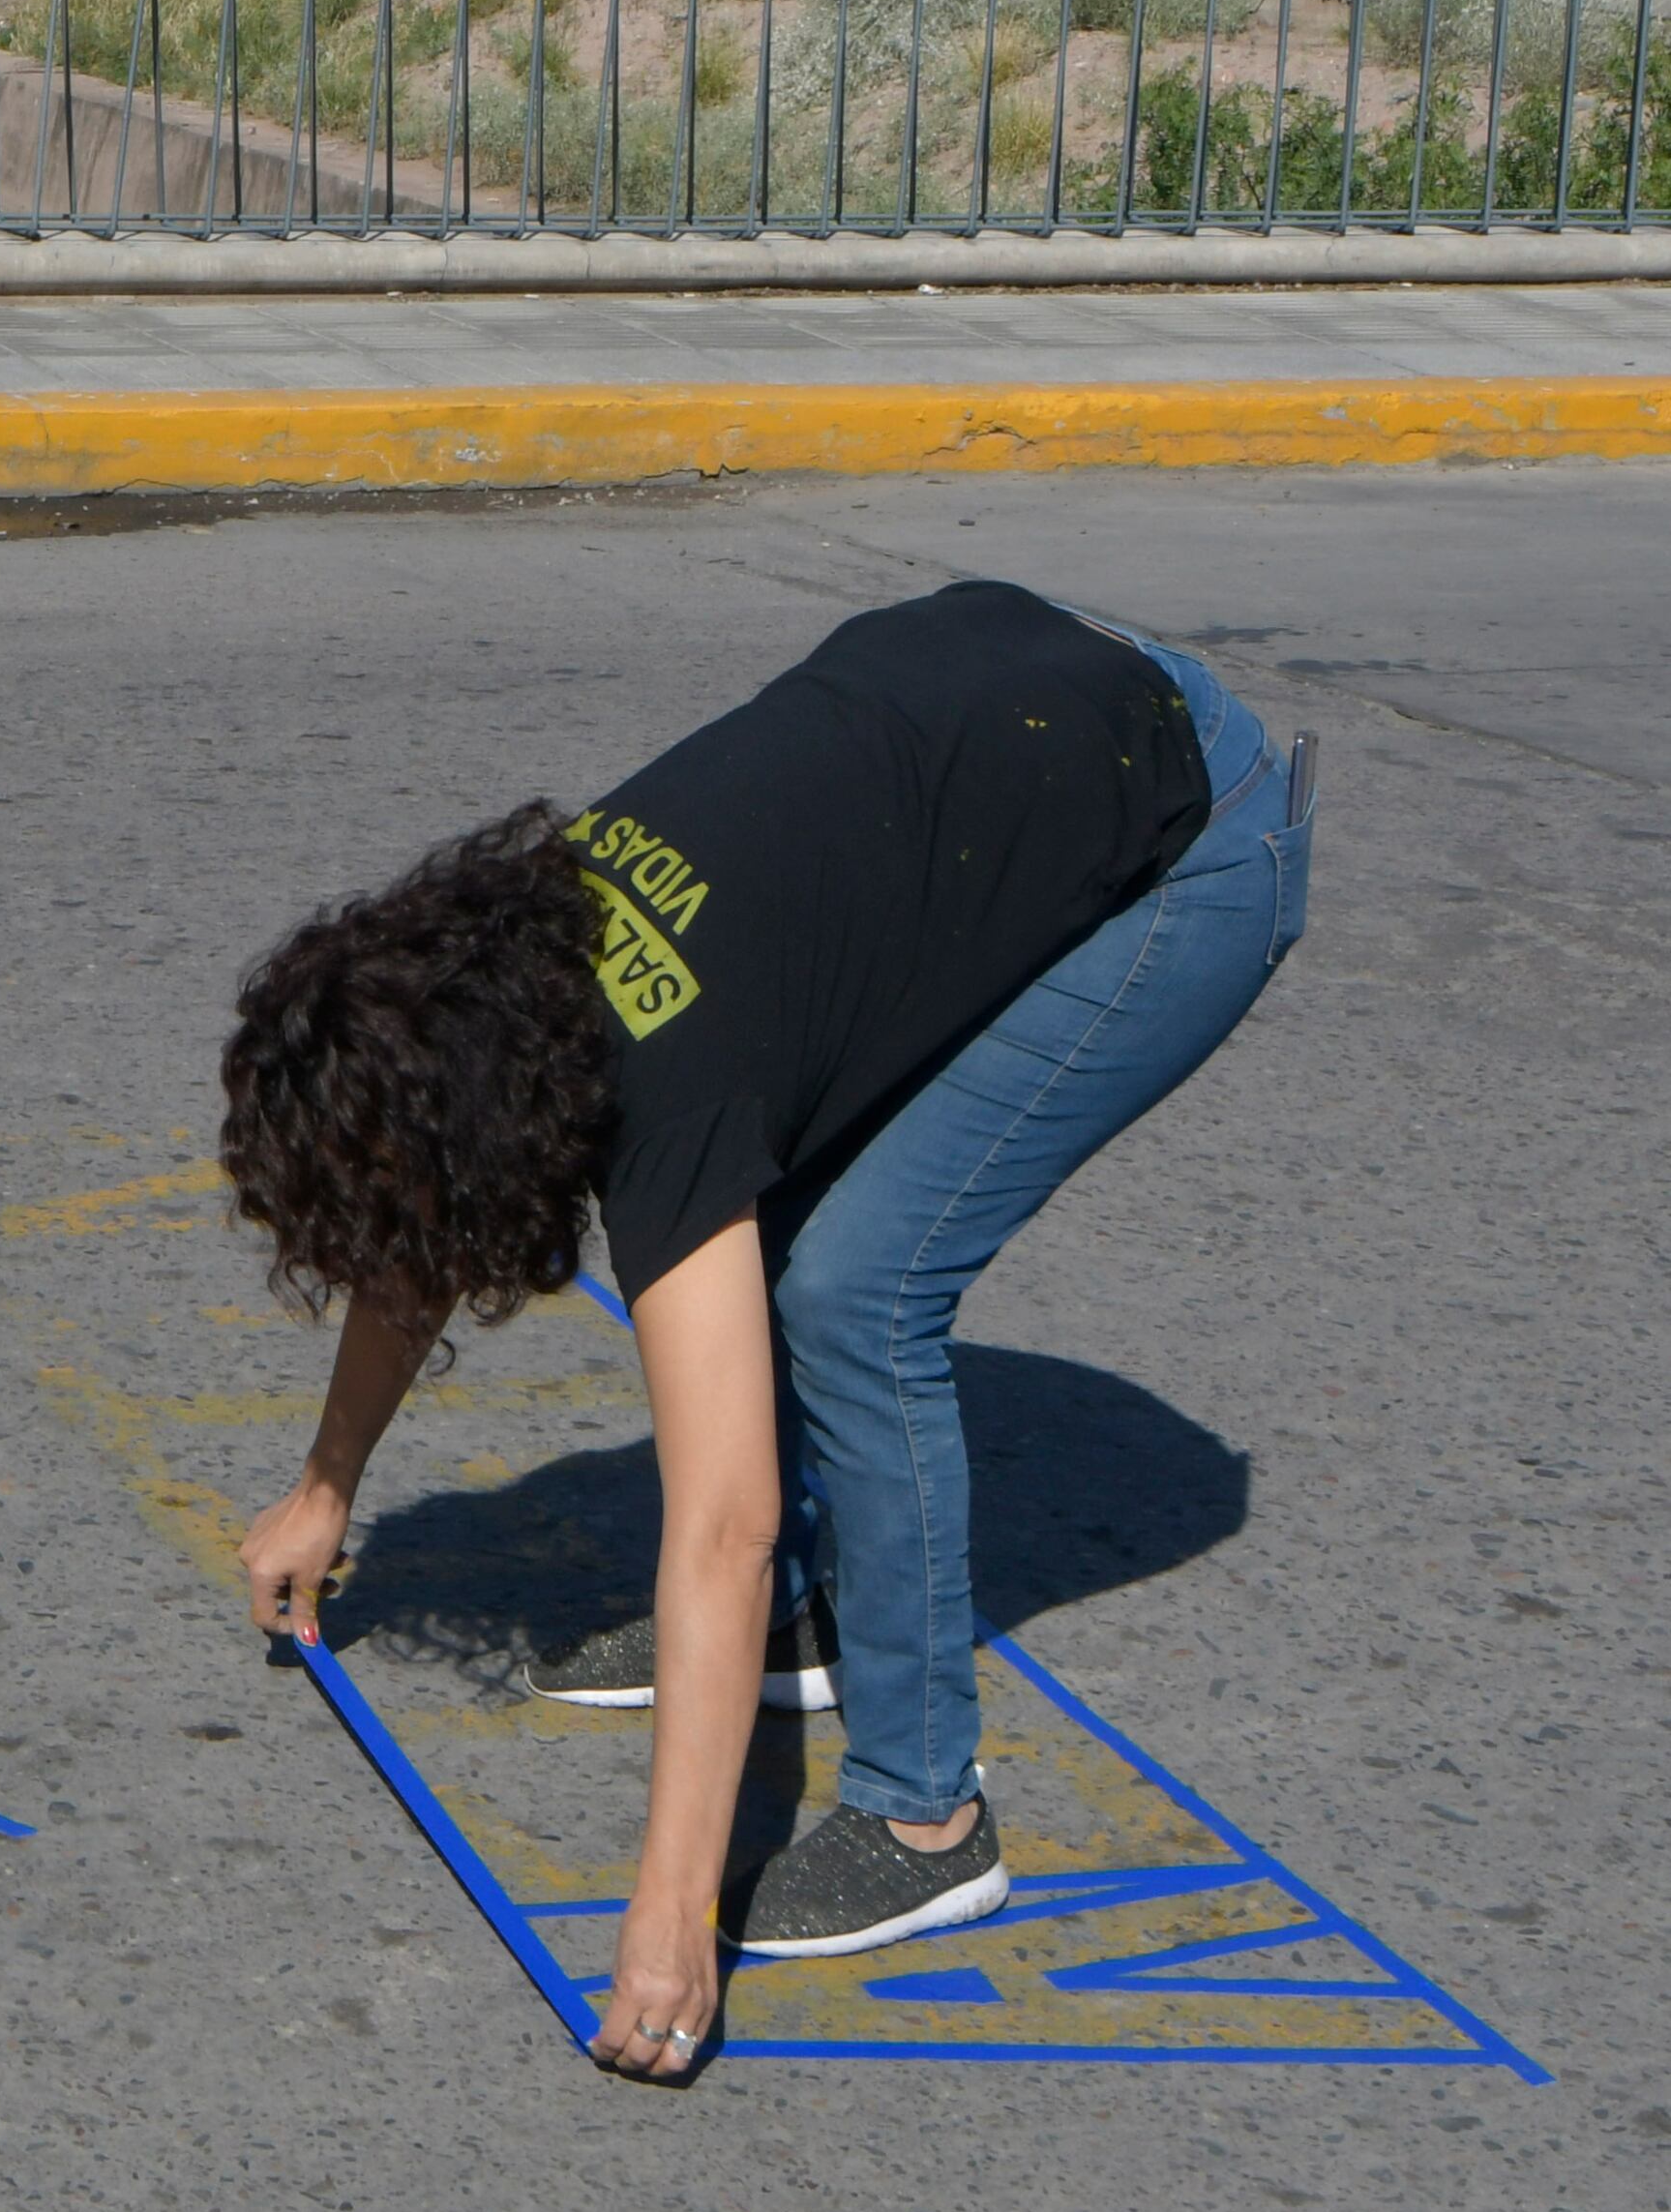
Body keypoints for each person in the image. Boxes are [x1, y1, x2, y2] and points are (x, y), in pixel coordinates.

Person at [216, 582, 1311, 2078]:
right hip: (1022, 704)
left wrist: (673, 1913)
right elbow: (422, 1221)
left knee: (856, 1289)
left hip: (1193, 843)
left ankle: (928, 1813)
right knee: (774, 1224)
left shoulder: (667, 1093)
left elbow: (715, 1518)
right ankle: (818, 1613)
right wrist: (326, 1484)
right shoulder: (511, 962)